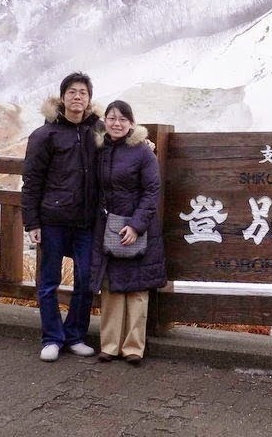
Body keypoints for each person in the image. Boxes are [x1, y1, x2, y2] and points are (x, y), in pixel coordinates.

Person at [21, 72, 101, 362]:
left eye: (83, 92)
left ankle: (75, 335)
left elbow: (124, 138)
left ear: (89, 99)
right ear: (63, 97)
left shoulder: (97, 130)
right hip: (53, 218)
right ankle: (52, 338)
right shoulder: (45, 134)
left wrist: (145, 144)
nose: (77, 96)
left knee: (86, 278)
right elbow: (31, 180)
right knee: (49, 281)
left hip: (86, 220)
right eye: (72, 92)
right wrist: (32, 221)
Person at [90, 100, 166, 365]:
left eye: (123, 119)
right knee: (110, 286)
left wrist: (136, 225)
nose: (117, 123)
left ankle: (134, 347)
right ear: (105, 121)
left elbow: (152, 190)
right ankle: (109, 345)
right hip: (108, 226)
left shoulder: (143, 152)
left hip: (138, 228)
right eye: (112, 118)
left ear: (132, 123)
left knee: (137, 288)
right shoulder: (100, 148)